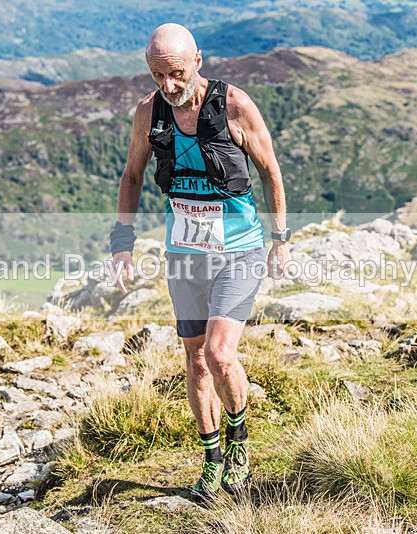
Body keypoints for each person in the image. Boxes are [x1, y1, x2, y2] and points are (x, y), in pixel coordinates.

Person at [109, 22, 291, 499]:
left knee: (219, 353)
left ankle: (240, 442)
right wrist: (121, 240)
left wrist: (280, 239)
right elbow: (132, 175)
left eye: (174, 73)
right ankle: (211, 458)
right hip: (186, 255)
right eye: (156, 76)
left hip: (239, 251)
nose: (167, 86)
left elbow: (271, 170)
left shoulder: (234, 105)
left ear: (197, 62)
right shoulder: (149, 113)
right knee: (194, 359)